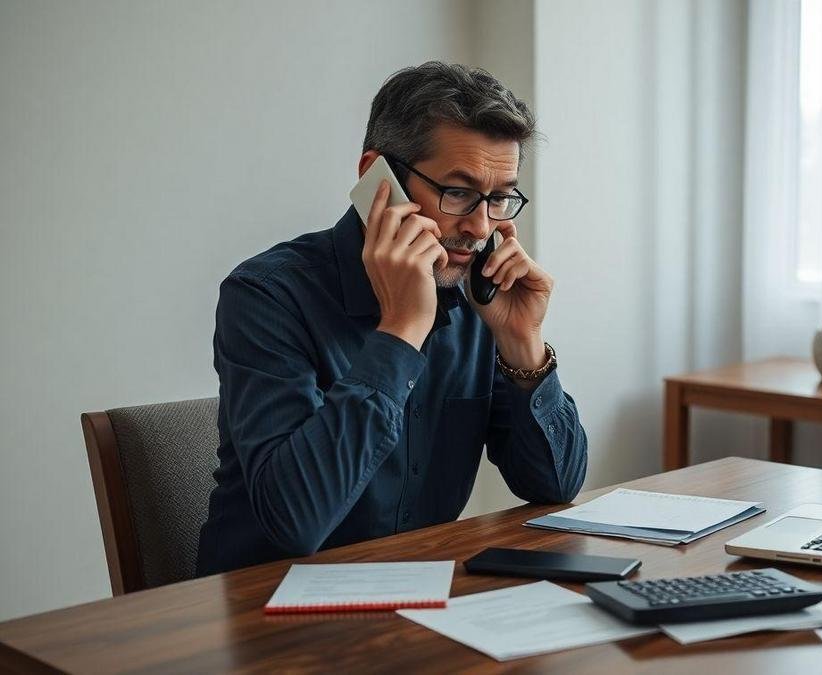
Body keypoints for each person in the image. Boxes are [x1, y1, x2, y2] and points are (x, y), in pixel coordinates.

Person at [196, 62, 587, 576]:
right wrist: (402, 331)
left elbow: (554, 486)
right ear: (376, 179)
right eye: (459, 192)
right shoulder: (267, 296)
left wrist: (523, 345)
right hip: (265, 613)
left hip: (419, 597)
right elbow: (295, 522)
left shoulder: (476, 295)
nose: (478, 225)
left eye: (499, 198)